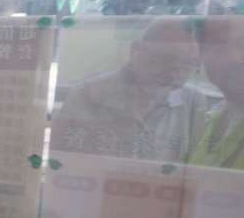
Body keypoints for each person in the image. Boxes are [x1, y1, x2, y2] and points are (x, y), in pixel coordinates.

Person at [51, 18, 213, 163]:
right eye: (165, 59)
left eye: (186, 64)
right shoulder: (87, 95)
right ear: (136, 52)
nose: (174, 72)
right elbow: (59, 160)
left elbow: (197, 167)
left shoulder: (194, 102)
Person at [189, 15, 244, 169]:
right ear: (201, 58)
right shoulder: (213, 117)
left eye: (243, 43)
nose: (233, 57)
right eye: (217, 47)